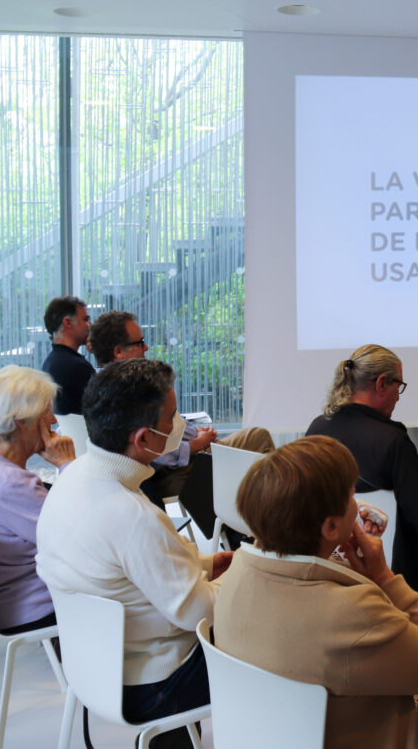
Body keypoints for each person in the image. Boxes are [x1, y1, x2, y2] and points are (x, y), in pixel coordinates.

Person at [214, 435, 418, 749]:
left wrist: (332, 555)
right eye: (352, 494)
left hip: (266, 736)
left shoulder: (238, 570)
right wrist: (383, 577)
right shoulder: (352, 610)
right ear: (330, 527)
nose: (356, 505)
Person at [36, 359, 232, 748]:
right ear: (144, 439)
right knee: (276, 634)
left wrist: (207, 565)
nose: (179, 425)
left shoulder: (73, 477)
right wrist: (245, 576)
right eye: (172, 417)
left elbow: (129, 569)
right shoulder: (133, 515)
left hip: (92, 667)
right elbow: (199, 613)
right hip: (153, 683)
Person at [306, 344, 418, 608]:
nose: (398, 396)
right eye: (399, 386)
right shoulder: (392, 440)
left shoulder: (318, 427)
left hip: (330, 558)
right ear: (381, 383)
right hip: (390, 569)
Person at [87, 310, 275, 534]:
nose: (146, 347)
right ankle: (268, 522)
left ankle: (256, 522)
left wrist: (193, 433)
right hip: (180, 469)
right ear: (118, 351)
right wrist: (197, 443)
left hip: (188, 456)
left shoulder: (109, 388)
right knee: (258, 442)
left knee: (255, 444)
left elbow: (161, 431)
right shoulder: (124, 392)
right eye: (139, 343)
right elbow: (153, 449)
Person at [0, 366, 75, 634]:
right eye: (46, 412)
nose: (53, 420)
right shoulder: (11, 483)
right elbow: (82, 539)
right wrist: (68, 465)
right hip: (40, 603)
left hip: (15, 601)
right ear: (22, 421)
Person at [40, 295, 94, 415]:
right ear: (68, 322)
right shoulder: (78, 367)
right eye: (85, 320)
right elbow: (109, 408)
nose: (90, 325)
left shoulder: (50, 363)